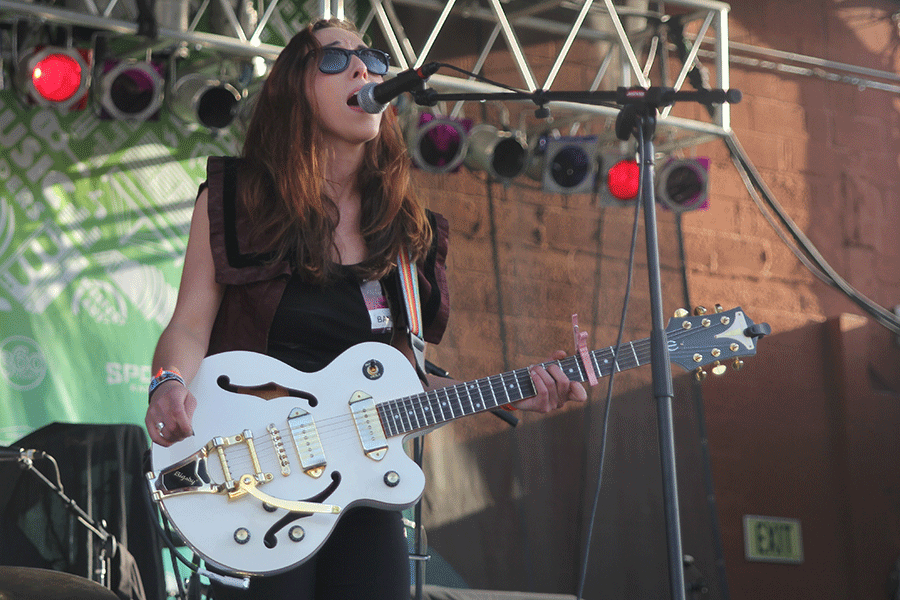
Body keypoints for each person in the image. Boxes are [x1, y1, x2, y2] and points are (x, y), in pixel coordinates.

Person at [144, 17, 587, 600]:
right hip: (257, 476)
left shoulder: (408, 234)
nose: (364, 71)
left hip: (358, 487)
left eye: (373, 60)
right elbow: (189, 324)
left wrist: (515, 390)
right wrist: (168, 382)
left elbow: (405, 385)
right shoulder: (239, 197)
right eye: (334, 60)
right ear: (292, 90)